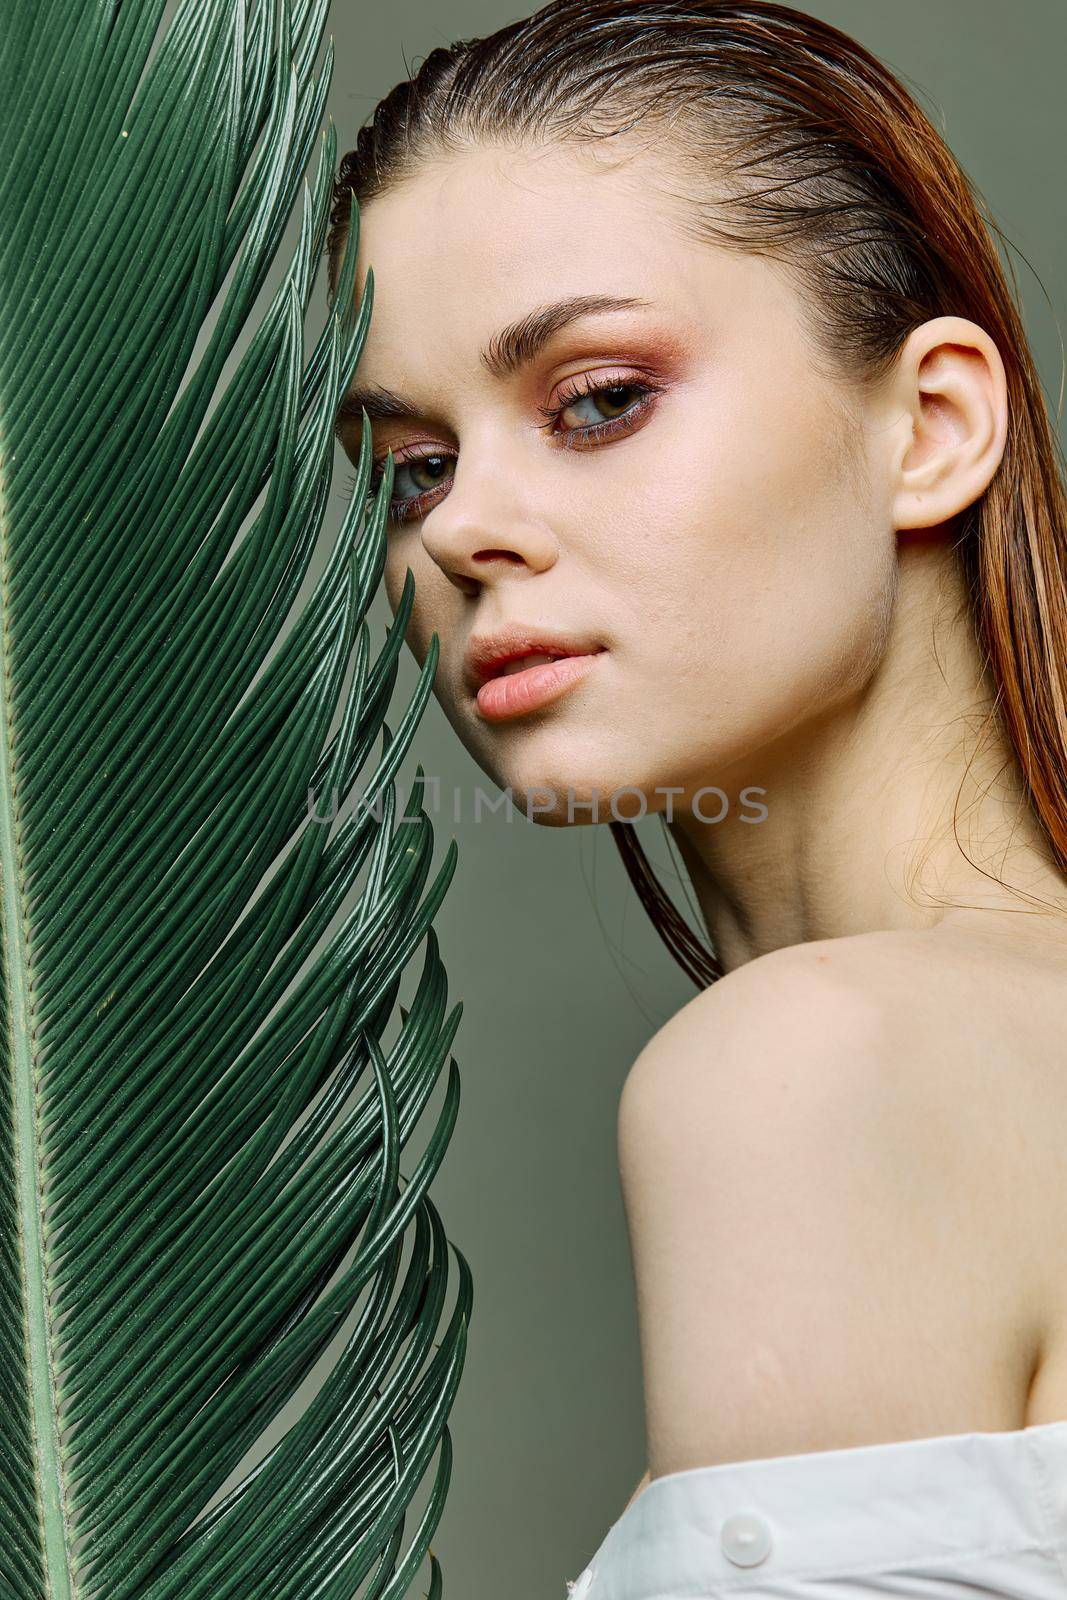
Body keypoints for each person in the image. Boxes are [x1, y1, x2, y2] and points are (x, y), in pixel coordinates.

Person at [326, 2, 1067, 1595]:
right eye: (413, 466)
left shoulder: (819, 1069)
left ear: (931, 428)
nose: (465, 534)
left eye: (596, 399)